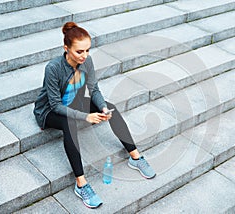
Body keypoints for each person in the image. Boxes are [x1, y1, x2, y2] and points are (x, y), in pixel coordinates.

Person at [33, 21, 156, 209]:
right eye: (79, 52)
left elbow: (94, 89)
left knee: (110, 106)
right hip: (50, 111)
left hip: (75, 102)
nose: (84, 56)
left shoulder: (87, 61)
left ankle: (136, 157)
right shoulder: (53, 68)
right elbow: (55, 104)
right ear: (66, 48)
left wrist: (102, 109)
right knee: (69, 124)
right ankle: (81, 184)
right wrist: (85, 117)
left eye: (87, 50)